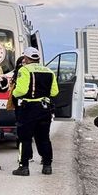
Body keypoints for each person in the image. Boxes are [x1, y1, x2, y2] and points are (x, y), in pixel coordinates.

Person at [11, 47, 58, 176]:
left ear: (26, 58)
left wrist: (13, 93)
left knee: (24, 138)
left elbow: (21, 90)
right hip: (45, 108)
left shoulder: (24, 69)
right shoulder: (49, 71)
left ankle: (23, 167)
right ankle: (47, 166)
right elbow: (55, 92)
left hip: (29, 108)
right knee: (44, 138)